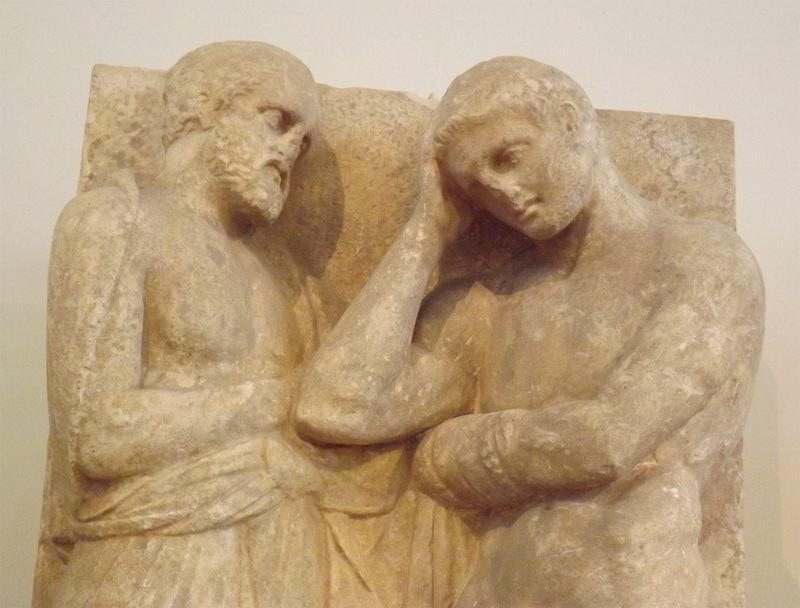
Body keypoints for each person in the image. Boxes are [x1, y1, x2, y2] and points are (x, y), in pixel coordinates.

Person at [296, 57, 764, 607]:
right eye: (476, 184)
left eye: (509, 158)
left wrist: (446, 450)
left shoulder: (699, 261)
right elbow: (334, 408)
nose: (501, 190)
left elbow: (606, 441)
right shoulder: (491, 305)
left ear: (570, 122)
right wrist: (425, 236)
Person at [41, 42, 326, 606]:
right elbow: (98, 434)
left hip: (276, 565)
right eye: (277, 122)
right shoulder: (117, 222)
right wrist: (281, 402)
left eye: (303, 141)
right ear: (202, 109)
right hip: (154, 563)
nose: (289, 153)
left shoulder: (281, 278)